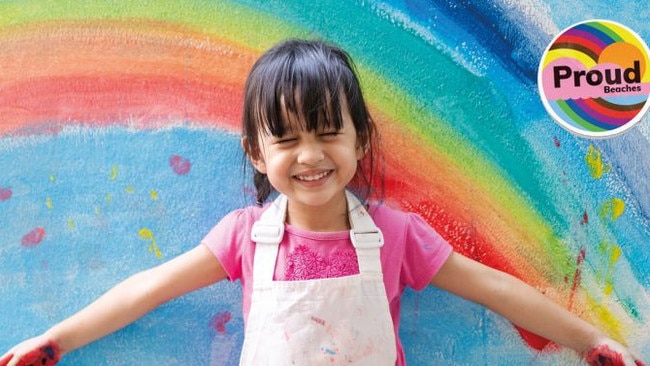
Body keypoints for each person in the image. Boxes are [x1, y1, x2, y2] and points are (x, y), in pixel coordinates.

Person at [0, 39, 645, 366]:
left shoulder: (396, 235)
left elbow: (496, 291)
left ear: (360, 138)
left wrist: (590, 340)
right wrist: (57, 340)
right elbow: (147, 290)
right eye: (285, 138)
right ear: (257, 153)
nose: (309, 155)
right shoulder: (243, 237)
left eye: (327, 132)